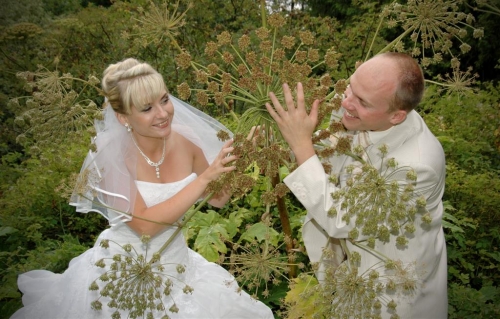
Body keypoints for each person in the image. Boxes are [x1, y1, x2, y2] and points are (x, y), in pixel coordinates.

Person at [12, 58, 274, 319]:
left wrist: (233, 164)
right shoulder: (110, 154)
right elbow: (145, 226)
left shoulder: (186, 140)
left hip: (178, 266)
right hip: (123, 271)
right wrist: (205, 177)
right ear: (123, 117)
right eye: (147, 108)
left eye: (165, 99)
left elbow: (216, 199)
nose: (163, 113)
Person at [266, 52, 447, 318]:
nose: (345, 101)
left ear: (396, 116)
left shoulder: (418, 167)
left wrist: (301, 144)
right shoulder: (357, 106)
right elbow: (325, 152)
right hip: (349, 270)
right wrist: (288, 133)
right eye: (351, 86)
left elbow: (342, 218)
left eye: (362, 101)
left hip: (391, 287)